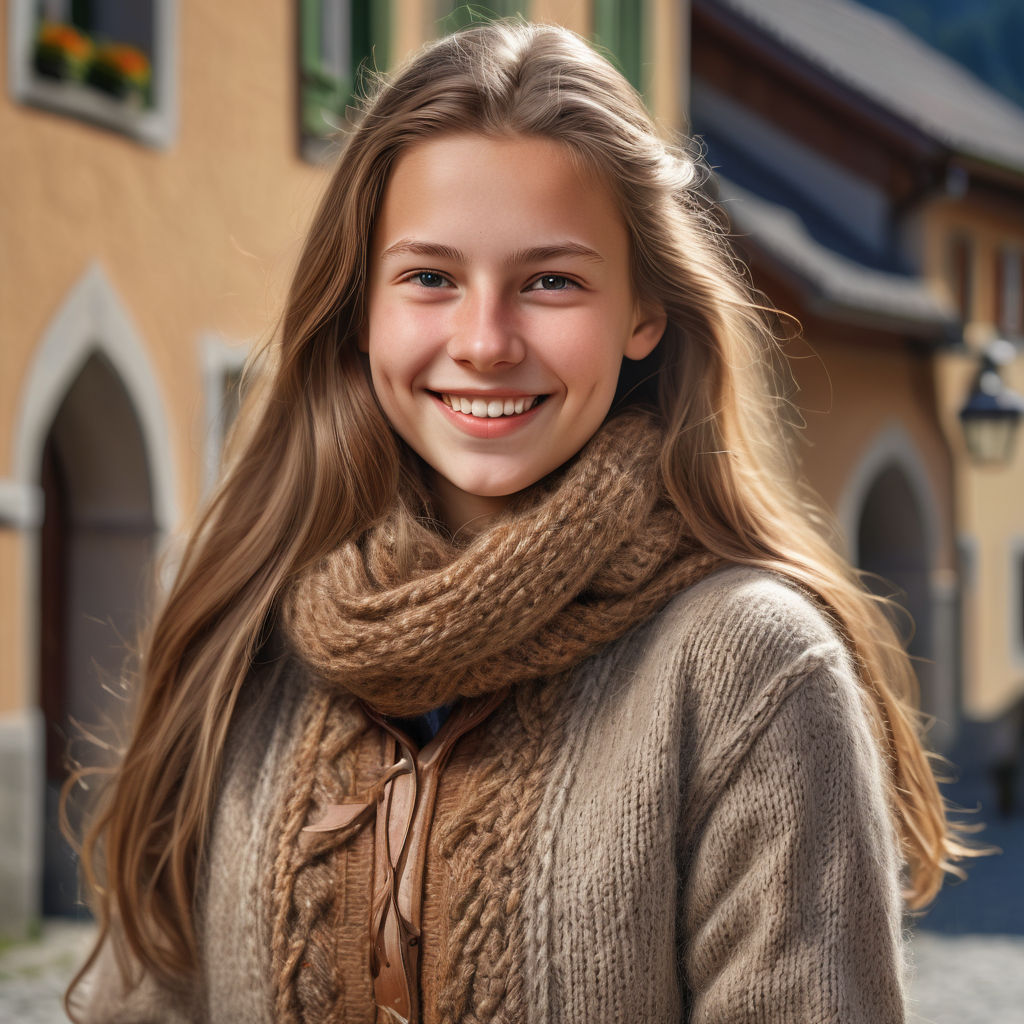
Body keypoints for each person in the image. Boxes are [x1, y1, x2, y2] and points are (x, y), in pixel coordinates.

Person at [68, 20, 970, 1023]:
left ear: (642, 312)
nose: (486, 341)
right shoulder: (243, 626)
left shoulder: (747, 669)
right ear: (360, 306)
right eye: (429, 278)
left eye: (551, 281)